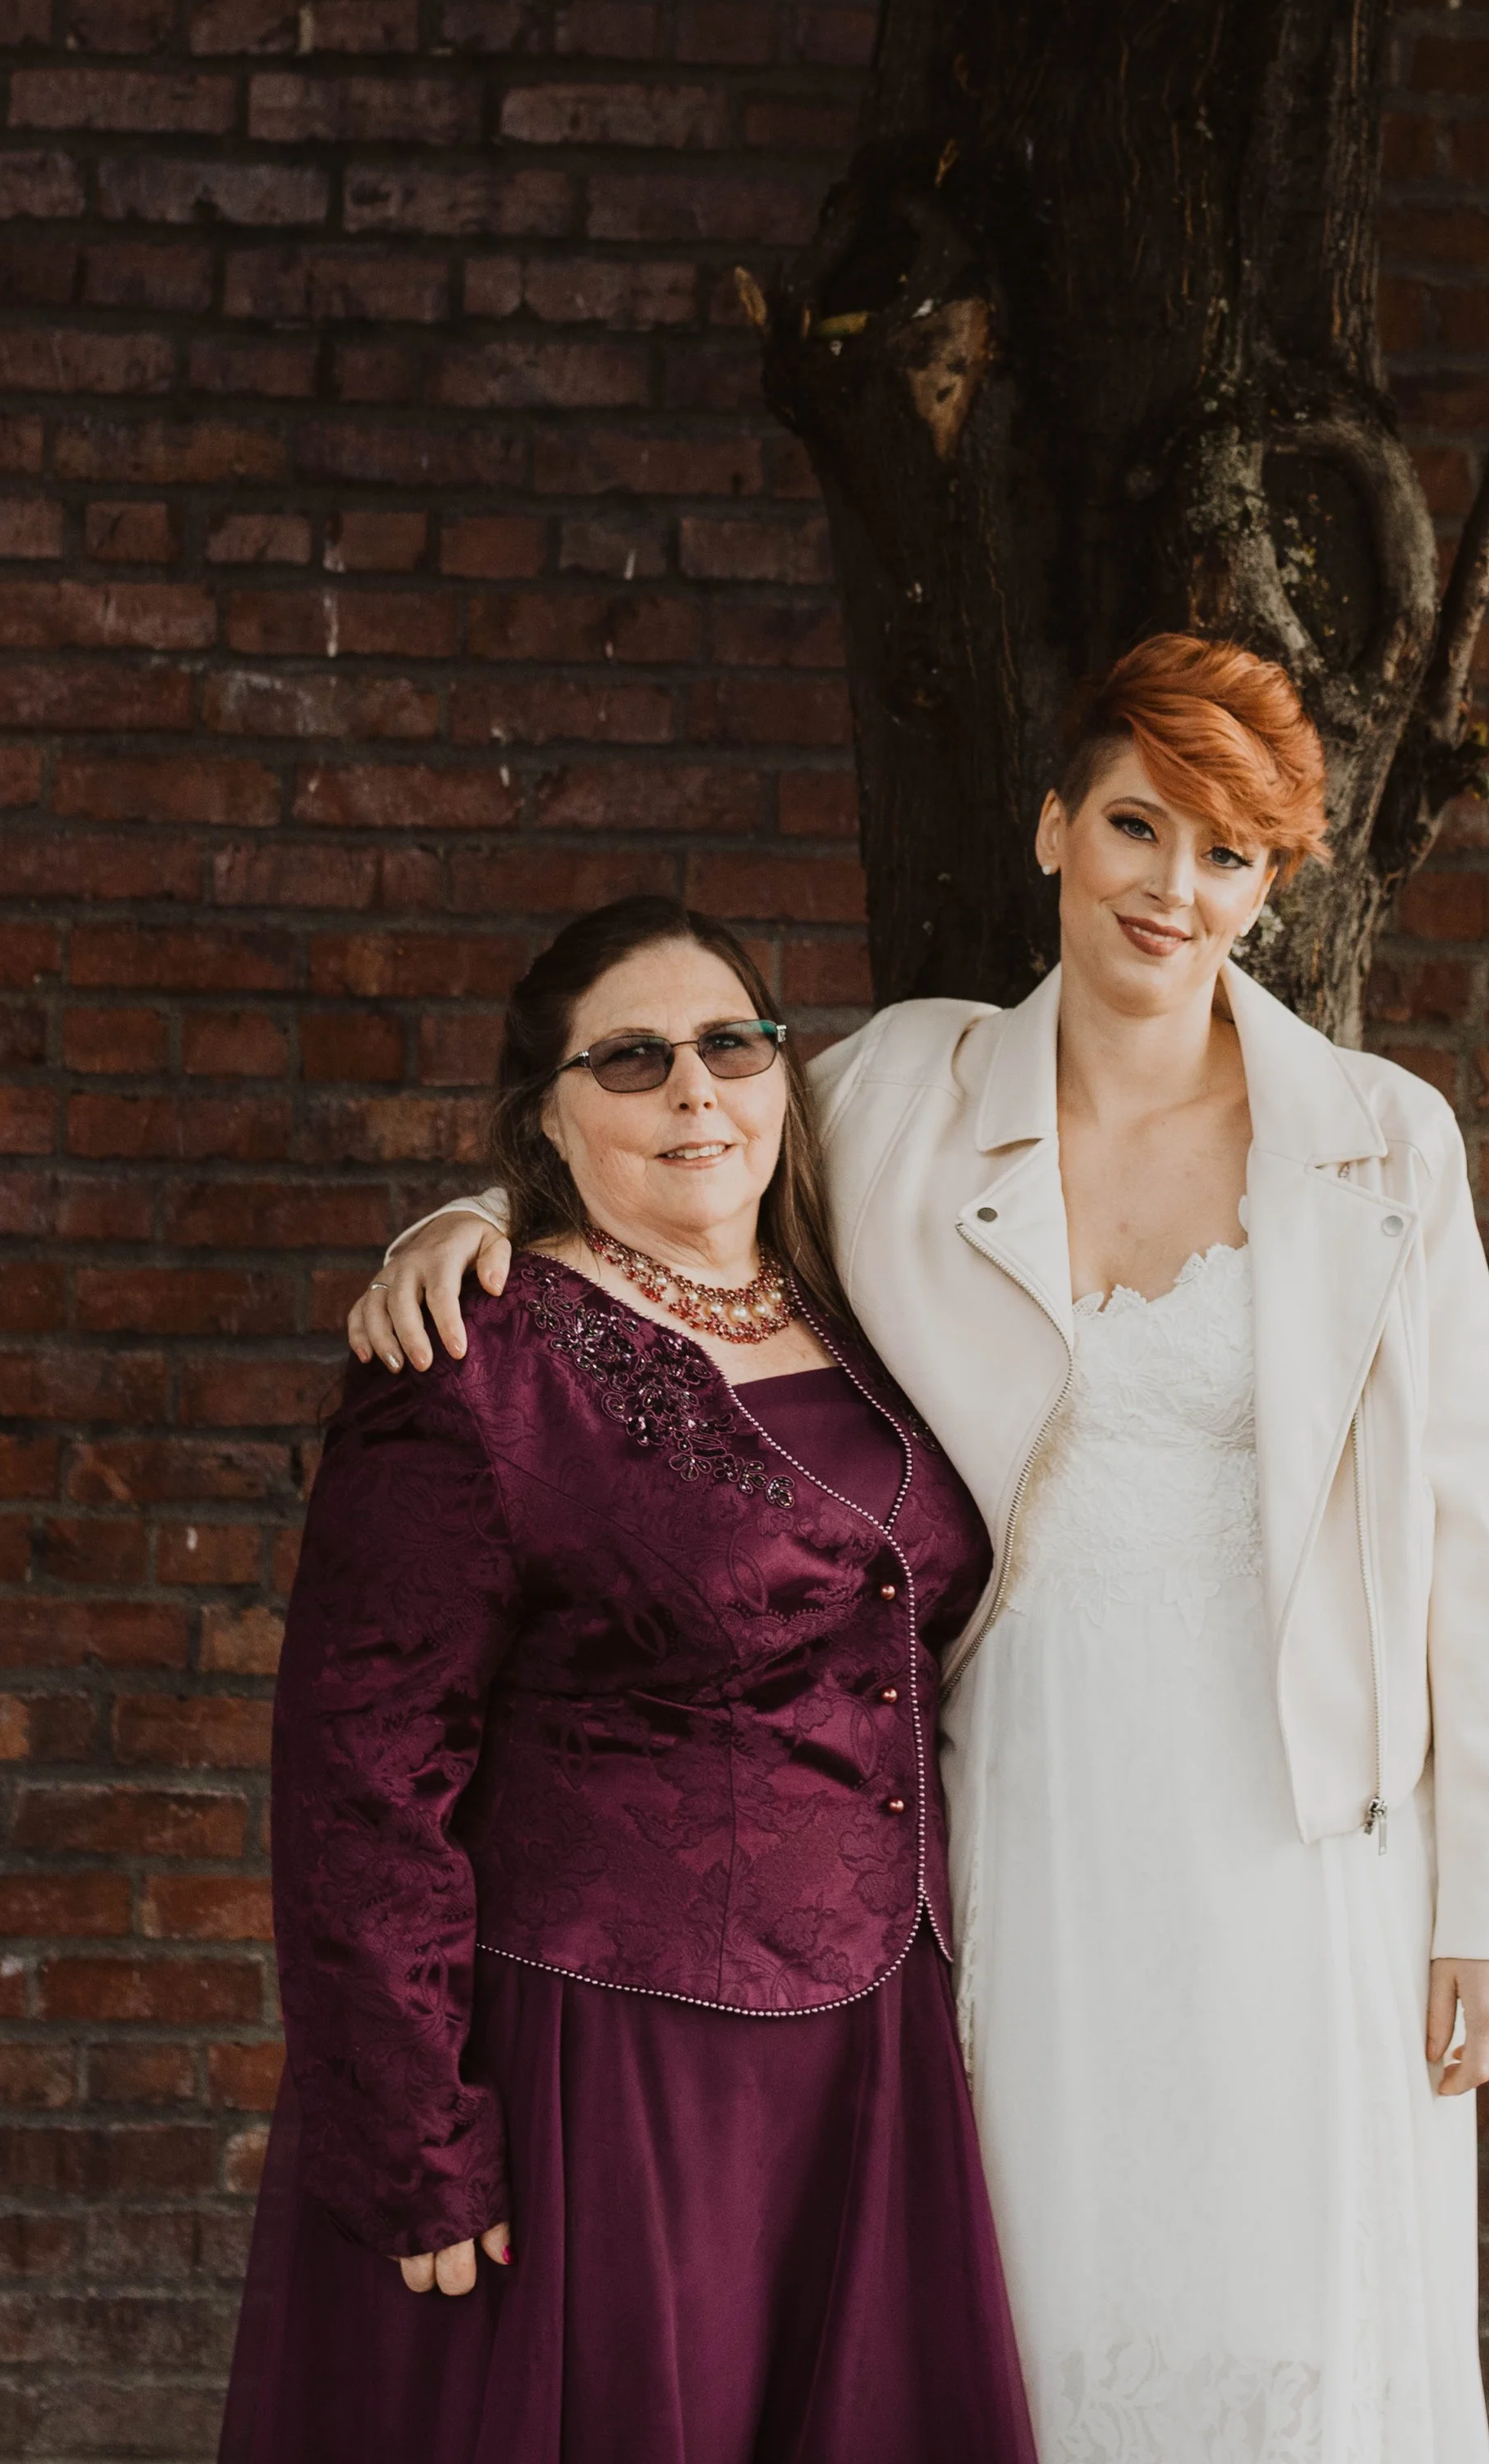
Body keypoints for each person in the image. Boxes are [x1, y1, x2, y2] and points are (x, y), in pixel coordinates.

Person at [359, 635, 1489, 2463]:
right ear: (1051, 826)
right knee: (1037, 2278)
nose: (1172, 886)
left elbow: (1471, 1524)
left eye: (1224, 854)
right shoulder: (903, 1089)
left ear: (1267, 885)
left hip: (1295, 1815)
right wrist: (469, 1218)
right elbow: (690, 1152)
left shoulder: (1378, 1144)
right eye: (1137, 826)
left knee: (1285, 2295)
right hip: (1015, 1790)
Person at [219, 896, 1038, 2464]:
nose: (694, 1091)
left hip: (870, 2048)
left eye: (731, 1044)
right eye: (634, 1059)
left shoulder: (864, 1306)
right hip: (615, 2064)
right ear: (547, 1113)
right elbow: (364, 1776)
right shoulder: (477, 1360)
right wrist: (412, 2139)